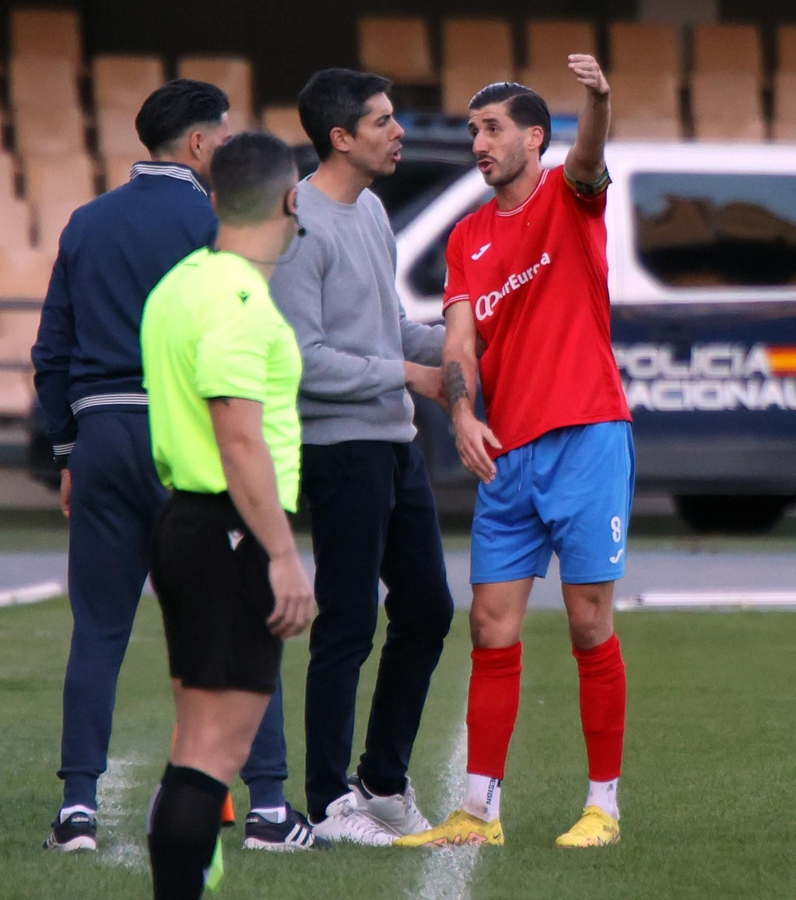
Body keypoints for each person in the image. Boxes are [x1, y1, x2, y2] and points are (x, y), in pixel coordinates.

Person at [33, 80, 315, 852]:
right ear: (199, 146)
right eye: (222, 138)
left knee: (97, 626)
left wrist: (68, 448)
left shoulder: (86, 223)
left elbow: (51, 348)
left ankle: (78, 808)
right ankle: (266, 802)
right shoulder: (217, 224)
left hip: (98, 436)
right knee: (242, 620)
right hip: (181, 436)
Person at [396, 56, 632, 850]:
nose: (477, 142)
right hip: (509, 453)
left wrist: (596, 100)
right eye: (471, 130)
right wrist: (461, 412)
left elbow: (593, 156)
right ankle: (479, 813)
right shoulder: (466, 238)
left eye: (491, 128)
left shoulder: (571, 195)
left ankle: (603, 806)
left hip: (590, 436)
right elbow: (460, 341)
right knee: (491, 626)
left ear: (535, 138)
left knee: (588, 622)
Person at [267, 68, 455, 846]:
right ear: (340, 137)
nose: (396, 131)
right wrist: (410, 373)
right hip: (339, 449)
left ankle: (380, 781)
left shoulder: (373, 209)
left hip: (392, 442)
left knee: (429, 607)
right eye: (382, 121)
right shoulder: (298, 227)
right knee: (346, 622)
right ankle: (326, 802)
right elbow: (304, 357)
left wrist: (467, 349)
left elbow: (387, 330)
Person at [140, 131, 315, 900]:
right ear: (291, 199)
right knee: (214, 753)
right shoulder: (241, 300)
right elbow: (239, 436)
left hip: (189, 522)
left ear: (213, 202)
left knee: (198, 746)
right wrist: (281, 553)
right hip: (230, 528)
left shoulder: (180, 283)